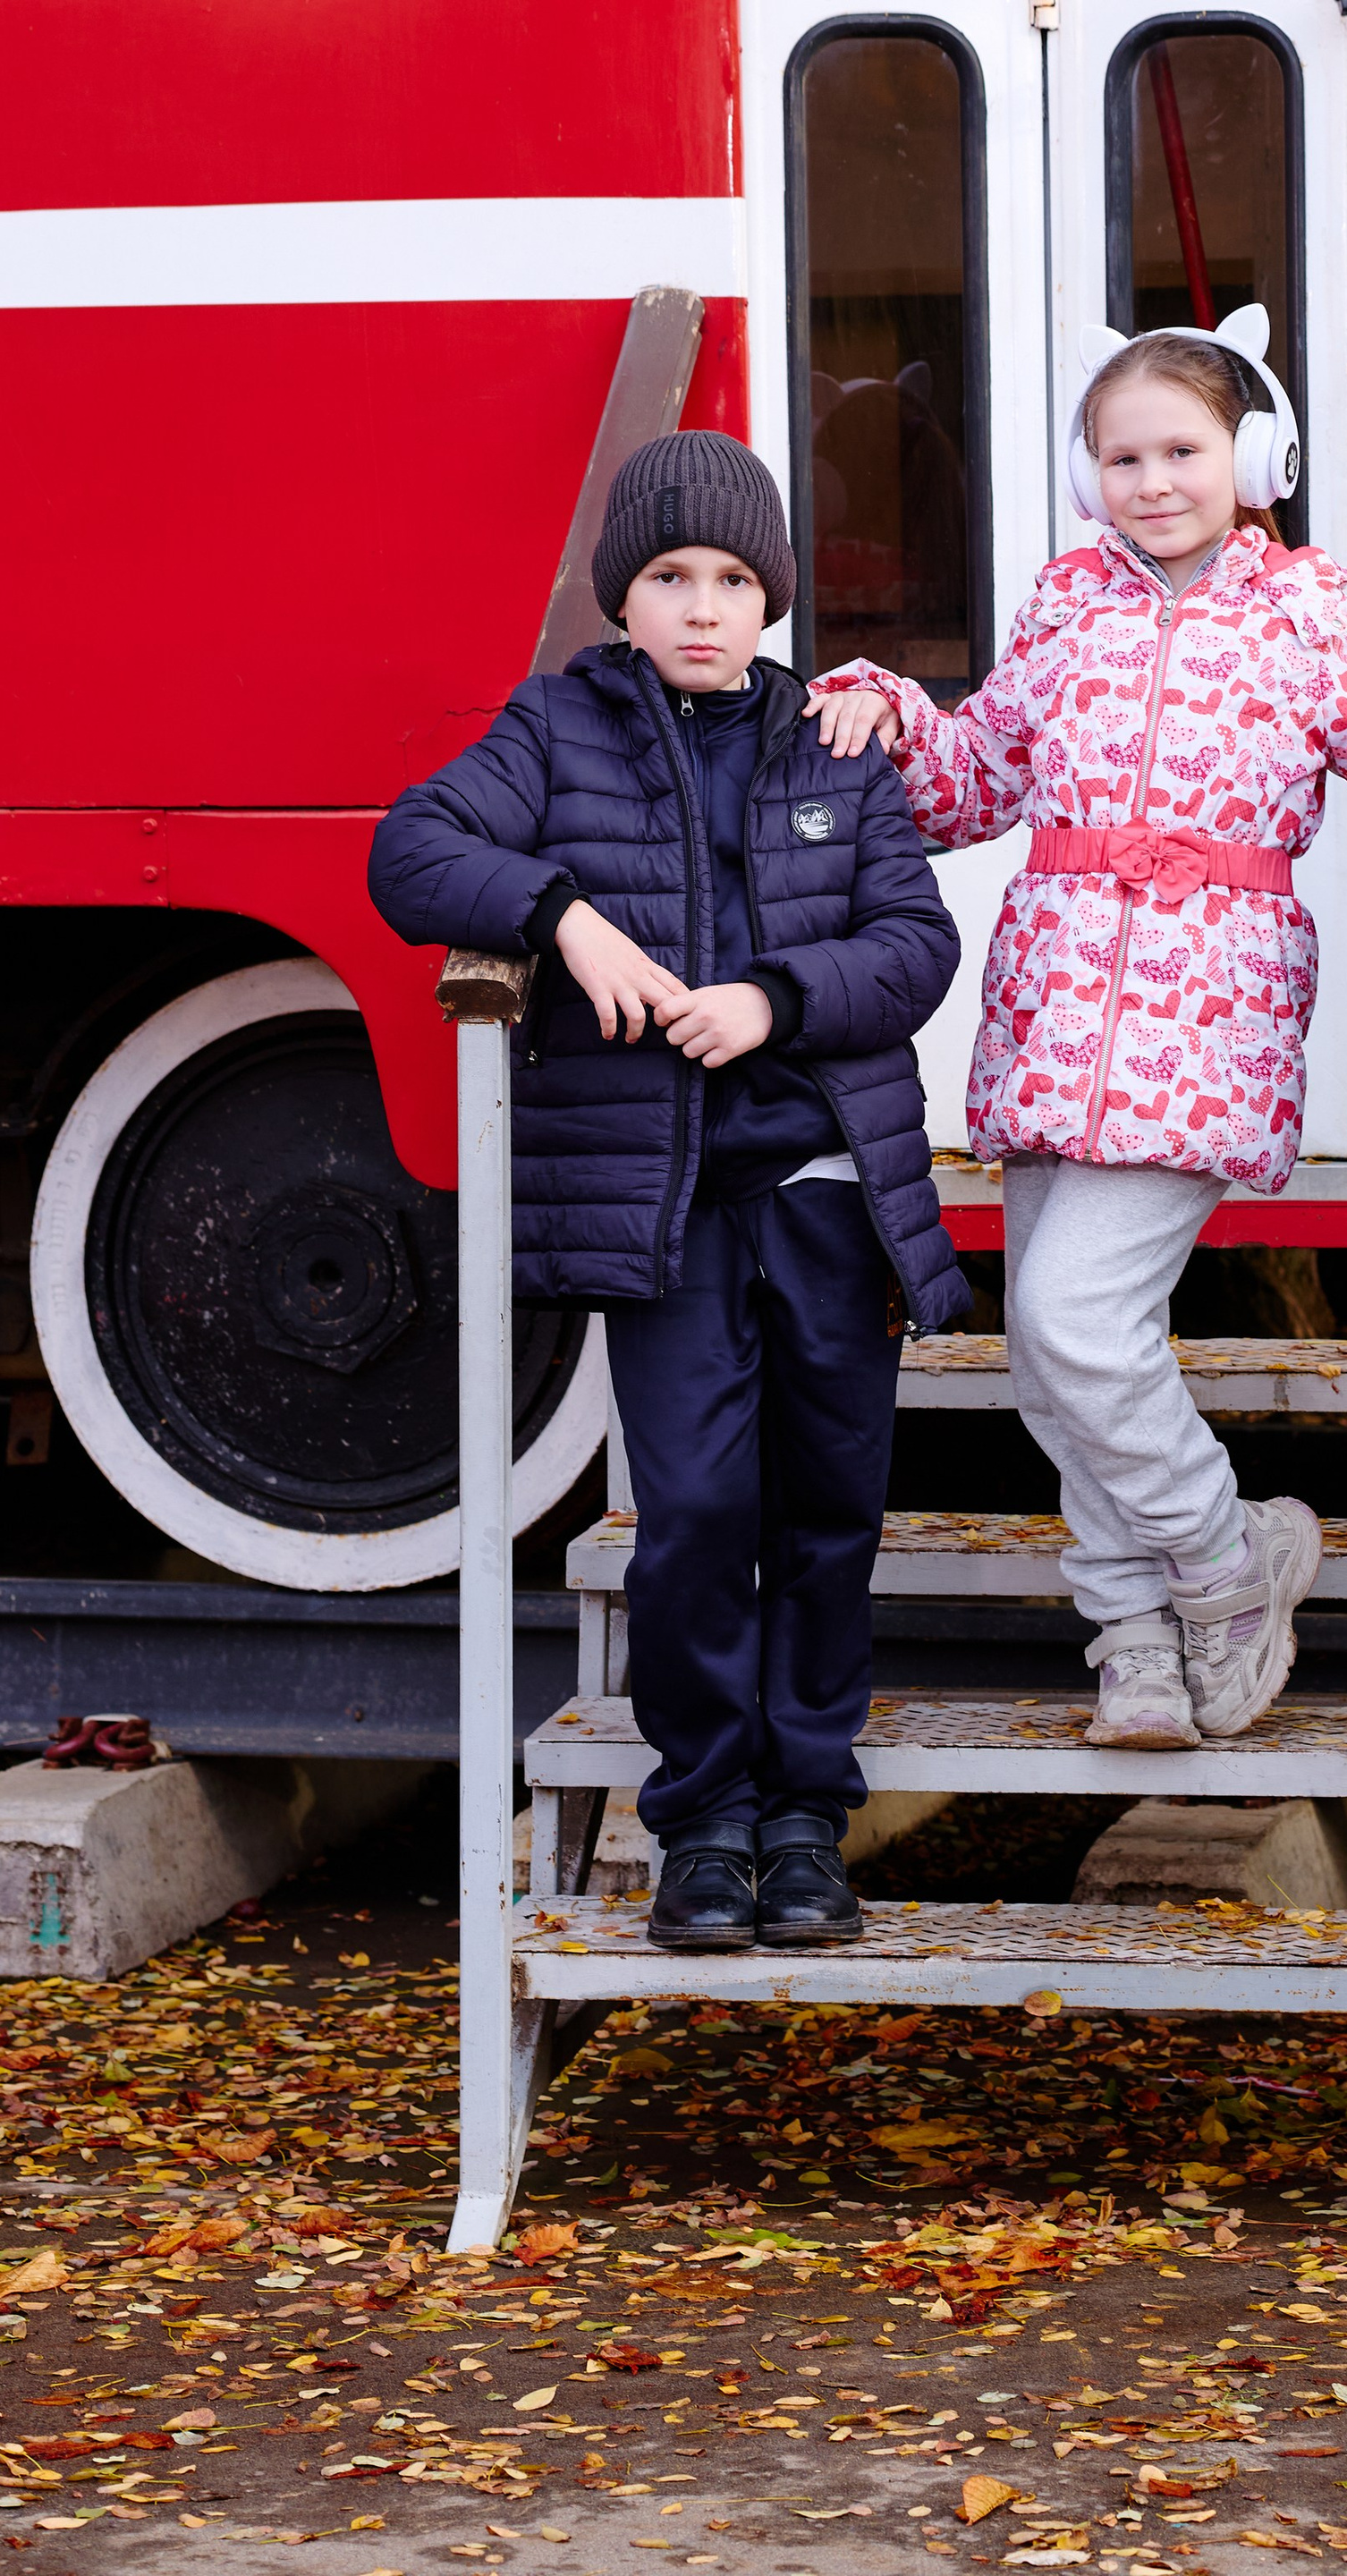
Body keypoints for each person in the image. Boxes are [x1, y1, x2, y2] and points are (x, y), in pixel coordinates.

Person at [809, 310, 1347, 1750]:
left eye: (1183, 449)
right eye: (1123, 455)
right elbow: (976, 778)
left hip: (1202, 1024)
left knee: (1072, 1319)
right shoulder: (1065, 606)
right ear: (1084, 472)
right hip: (1053, 1015)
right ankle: (1134, 1642)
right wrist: (883, 710)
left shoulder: (1303, 610)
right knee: (1054, 1357)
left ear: (1253, 458)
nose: (1154, 479)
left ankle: (1231, 1562)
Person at [369, 429, 968, 1955]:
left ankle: (804, 1823)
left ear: (768, 594)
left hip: (829, 1192)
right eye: (667, 578)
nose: (703, 607)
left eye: (732, 579)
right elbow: (410, 849)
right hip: (671, 1203)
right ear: (617, 595)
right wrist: (560, 916)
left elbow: (915, 946)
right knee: (697, 1512)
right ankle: (701, 1819)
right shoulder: (555, 729)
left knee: (829, 1512)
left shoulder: (833, 740)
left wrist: (773, 998)